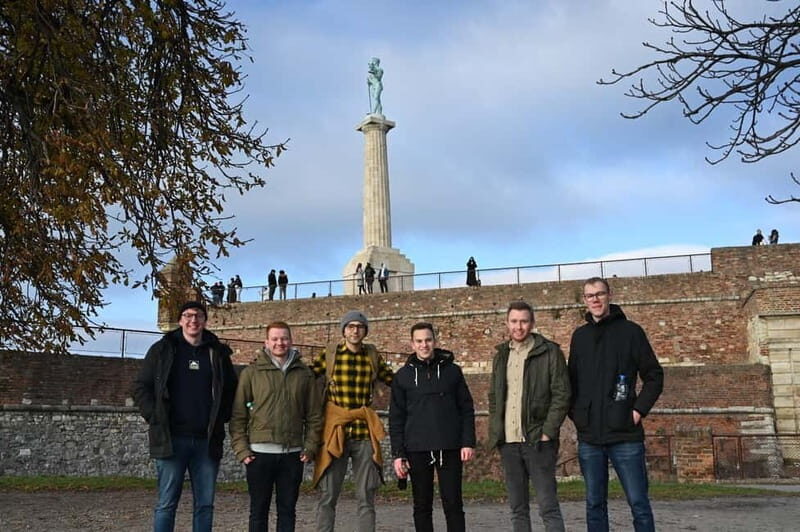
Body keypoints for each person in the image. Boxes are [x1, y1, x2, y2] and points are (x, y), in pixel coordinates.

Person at [132, 301, 238, 532]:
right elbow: (141, 387)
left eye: (199, 315)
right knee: (167, 504)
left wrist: (223, 416)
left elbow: (231, 388)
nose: (193, 320)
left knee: (205, 505)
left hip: (206, 441)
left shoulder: (217, 353)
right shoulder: (162, 350)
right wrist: (154, 416)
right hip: (172, 439)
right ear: (180, 320)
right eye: (188, 315)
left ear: (205, 321)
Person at [569, 277, 664, 532]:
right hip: (590, 436)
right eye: (590, 296)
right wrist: (578, 415)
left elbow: (654, 376)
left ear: (609, 295)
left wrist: (637, 411)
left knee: (638, 502)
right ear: (585, 301)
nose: (596, 300)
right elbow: (571, 382)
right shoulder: (580, 337)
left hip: (625, 434)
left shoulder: (632, 332)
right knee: (594, 504)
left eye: (600, 294)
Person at [230, 321, 323, 532]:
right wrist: (242, 450)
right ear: (266, 342)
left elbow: (314, 415)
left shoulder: (304, 374)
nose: (280, 343)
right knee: (258, 512)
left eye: (284, 338)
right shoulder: (251, 373)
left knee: (288, 511)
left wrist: (310, 447)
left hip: (292, 454)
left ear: (291, 341)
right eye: (275, 339)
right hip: (259, 454)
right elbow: (238, 416)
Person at [488, 300, 570, 532]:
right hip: (509, 442)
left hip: (538, 441)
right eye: (514, 321)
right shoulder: (501, 355)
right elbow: (494, 396)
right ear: (507, 323)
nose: (519, 326)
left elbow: (562, 394)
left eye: (524, 321)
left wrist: (547, 431)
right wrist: (498, 429)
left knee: (548, 506)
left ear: (532, 323)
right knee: (517, 508)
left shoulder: (550, 352)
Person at [311, 310, 394, 532]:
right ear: (344, 330)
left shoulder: (372, 356)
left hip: (363, 432)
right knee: (328, 494)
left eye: (359, 326)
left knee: (366, 494)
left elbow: (394, 380)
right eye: (350, 326)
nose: (355, 330)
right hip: (335, 430)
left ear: (365, 331)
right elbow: (307, 378)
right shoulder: (330, 354)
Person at [390, 322, 476, 532]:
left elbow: (466, 408)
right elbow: (397, 417)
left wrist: (467, 442)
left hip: (449, 445)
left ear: (434, 341)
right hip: (417, 447)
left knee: (453, 504)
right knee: (422, 506)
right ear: (412, 344)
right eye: (419, 341)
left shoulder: (452, 372)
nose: (424, 345)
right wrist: (398, 453)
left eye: (428, 340)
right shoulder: (403, 377)